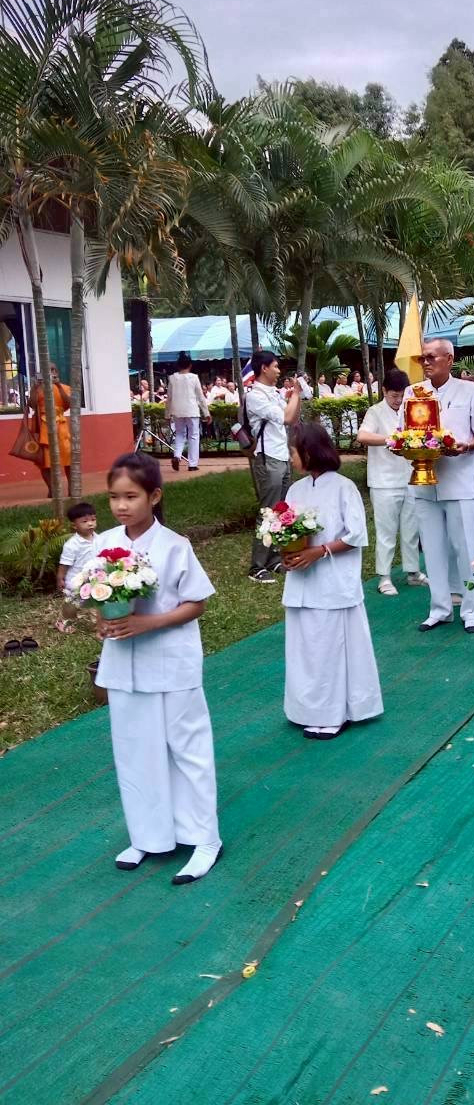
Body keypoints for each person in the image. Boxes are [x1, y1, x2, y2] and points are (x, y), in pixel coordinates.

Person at [94, 452, 221, 884]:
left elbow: (196, 603)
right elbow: (93, 592)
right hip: (124, 663)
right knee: (134, 750)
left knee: (187, 749)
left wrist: (148, 622)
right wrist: (103, 618)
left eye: (131, 496)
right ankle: (149, 835)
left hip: (171, 661)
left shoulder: (174, 546)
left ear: (155, 496)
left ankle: (205, 838)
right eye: (114, 497)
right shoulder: (103, 543)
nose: (122, 506)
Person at [280, 422, 384, 737]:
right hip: (302, 582)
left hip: (333, 582)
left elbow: (356, 536)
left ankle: (333, 713)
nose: (291, 457)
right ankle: (306, 708)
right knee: (305, 649)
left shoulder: (343, 487)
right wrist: (288, 552)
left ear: (310, 451)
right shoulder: (295, 489)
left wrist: (319, 552)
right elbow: (288, 530)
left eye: (294, 451)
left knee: (329, 647)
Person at [403, 338, 474, 633]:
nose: (425, 363)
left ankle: (470, 610)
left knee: (465, 547)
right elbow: (405, 433)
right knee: (433, 548)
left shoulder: (471, 390)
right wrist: (408, 447)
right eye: (422, 359)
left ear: (449, 359)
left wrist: (466, 447)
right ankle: (439, 608)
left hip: (460, 480)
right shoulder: (412, 393)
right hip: (424, 482)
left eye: (431, 357)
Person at [357, 368, 428, 595]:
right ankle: (384, 577)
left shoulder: (412, 410)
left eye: (402, 395)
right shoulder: (375, 411)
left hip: (410, 478)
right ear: (384, 391)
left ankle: (413, 571)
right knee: (386, 531)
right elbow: (363, 436)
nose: (398, 400)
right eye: (394, 395)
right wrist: (392, 440)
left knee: (412, 529)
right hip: (384, 481)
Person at [245, 351, 300, 584]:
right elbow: (286, 418)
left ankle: (274, 558)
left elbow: (293, 418)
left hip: (281, 455)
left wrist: (294, 397)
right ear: (264, 368)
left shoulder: (274, 393)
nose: (279, 371)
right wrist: (296, 393)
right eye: (276, 366)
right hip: (268, 458)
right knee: (267, 512)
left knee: (279, 511)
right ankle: (256, 566)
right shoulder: (255, 396)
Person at [28, 364, 71, 497]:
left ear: (57, 372)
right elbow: (32, 405)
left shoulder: (65, 387)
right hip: (43, 427)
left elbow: (69, 404)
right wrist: (35, 387)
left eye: (52, 369)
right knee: (45, 461)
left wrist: (58, 386)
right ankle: (52, 490)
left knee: (68, 458)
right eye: (46, 370)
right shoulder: (37, 388)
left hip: (61, 427)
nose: (50, 372)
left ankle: (72, 487)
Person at [56, 500, 99, 633]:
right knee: (72, 604)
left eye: (93, 519)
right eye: (85, 521)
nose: (90, 523)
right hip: (76, 581)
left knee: (98, 602)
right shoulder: (72, 545)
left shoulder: (99, 538)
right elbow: (65, 563)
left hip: (95, 578)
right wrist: (60, 578)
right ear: (74, 526)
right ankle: (64, 621)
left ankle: (98, 625)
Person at [165, 352, 211, 473]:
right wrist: (206, 413)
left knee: (180, 434)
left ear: (178, 365)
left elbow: (169, 398)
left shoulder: (172, 378)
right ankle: (192, 464)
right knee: (194, 436)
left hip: (177, 411)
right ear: (190, 365)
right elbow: (200, 397)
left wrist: (167, 414)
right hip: (192, 410)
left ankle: (177, 455)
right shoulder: (194, 377)